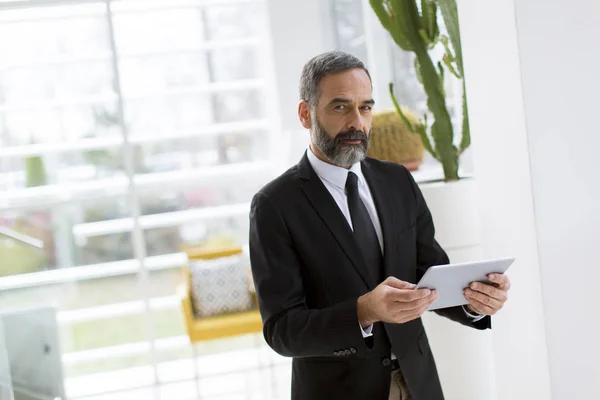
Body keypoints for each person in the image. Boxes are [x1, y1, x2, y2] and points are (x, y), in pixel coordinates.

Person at [249, 51, 511, 400]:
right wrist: (365, 310)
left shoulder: (397, 180)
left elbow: (428, 274)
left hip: (419, 383)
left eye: (366, 107)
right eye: (340, 107)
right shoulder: (274, 205)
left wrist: (474, 301)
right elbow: (282, 330)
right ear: (305, 114)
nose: (357, 121)